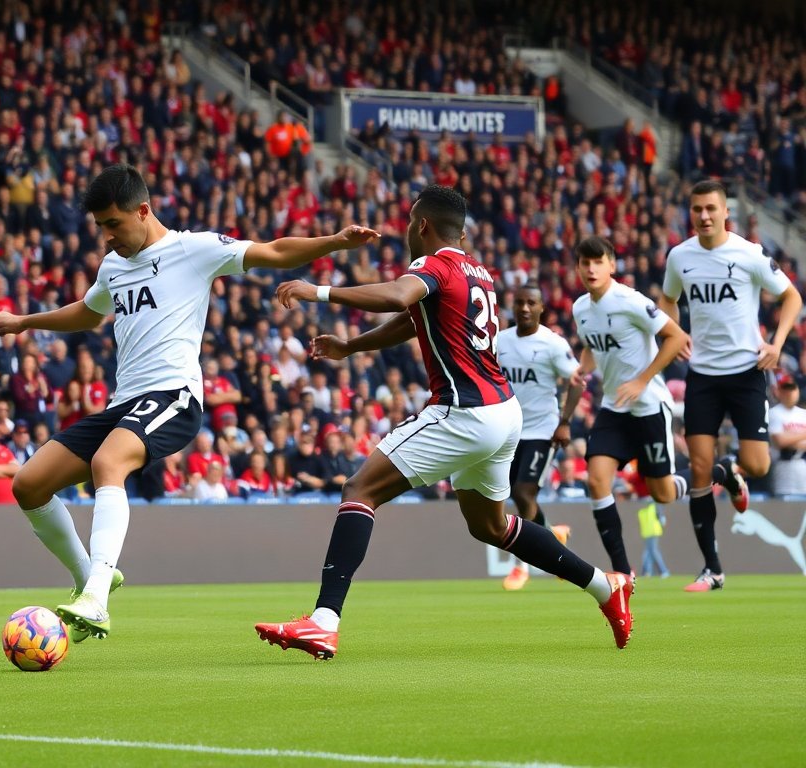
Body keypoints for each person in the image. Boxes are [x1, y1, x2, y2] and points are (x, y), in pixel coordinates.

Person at [0, 163, 382, 642]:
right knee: (29, 485)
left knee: (107, 461)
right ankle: (89, 578)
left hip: (174, 396)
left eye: (113, 224)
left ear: (143, 209)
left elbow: (275, 251)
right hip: (124, 405)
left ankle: (95, 596)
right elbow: (87, 313)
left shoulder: (193, 249)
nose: (107, 237)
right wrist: (25, 322)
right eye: (100, 228)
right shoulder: (112, 266)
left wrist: (335, 242)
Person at [254, 186, 635, 660]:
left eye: (410, 225)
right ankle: (606, 586)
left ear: (422, 226)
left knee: (359, 490)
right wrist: (352, 347)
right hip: (504, 412)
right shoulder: (478, 272)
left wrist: (320, 292)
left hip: (464, 412)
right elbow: (414, 320)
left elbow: (398, 297)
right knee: (492, 528)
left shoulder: (430, 266)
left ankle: (323, 621)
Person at [658, 180, 802, 592]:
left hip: (746, 372)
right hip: (702, 374)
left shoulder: (749, 254)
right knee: (699, 470)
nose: (703, 216)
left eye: (710, 209)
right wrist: (675, 332)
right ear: (691, 213)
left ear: (725, 213)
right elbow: (668, 300)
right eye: (697, 209)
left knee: (758, 466)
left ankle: (732, 472)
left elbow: (791, 297)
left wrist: (776, 343)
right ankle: (713, 568)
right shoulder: (679, 257)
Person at [573, 236, 693, 583]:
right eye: (585, 262)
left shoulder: (630, 301)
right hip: (614, 407)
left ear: (612, 265)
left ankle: (718, 473)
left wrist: (642, 380)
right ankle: (623, 573)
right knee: (597, 481)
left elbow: (676, 338)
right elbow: (591, 346)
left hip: (649, 405)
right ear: (578, 268)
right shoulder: (580, 308)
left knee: (664, 493)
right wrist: (583, 369)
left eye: (599, 261)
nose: (592, 268)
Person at [495, 284, 585, 590]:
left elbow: (577, 382)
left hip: (542, 430)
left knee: (522, 493)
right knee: (512, 493)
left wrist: (565, 422)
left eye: (530, 303)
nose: (523, 308)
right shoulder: (500, 341)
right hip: (508, 429)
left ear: (540, 308)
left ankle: (522, 566)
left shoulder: (552, 344)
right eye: (519, 302)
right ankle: (552, 535)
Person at [768, 375, 806, 496]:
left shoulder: (803, 414)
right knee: (784, 503)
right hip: (782, 465)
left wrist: (790, 438)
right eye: (785, 389)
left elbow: (785, 440)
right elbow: (779, 441)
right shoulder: (774, 413)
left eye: (792, 389)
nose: (789, 393)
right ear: (778, 392)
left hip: (801, 464)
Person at [637, 500, 670, 579]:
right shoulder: (654, 504)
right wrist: (662, 521)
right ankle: (659, 571)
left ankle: (651, 572)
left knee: (651, 551)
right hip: (652, 531)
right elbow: (660, 516)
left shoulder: (641, 505)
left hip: (648, 532)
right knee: (651, 551)